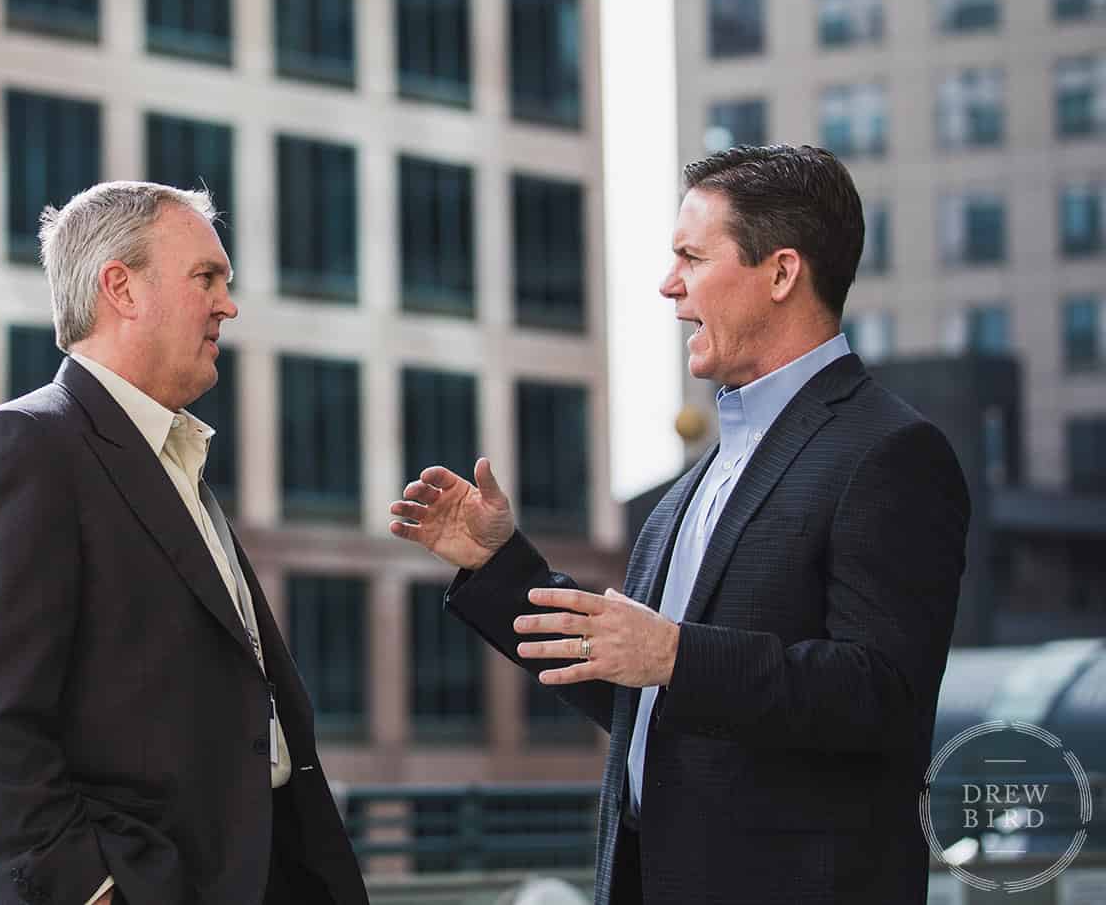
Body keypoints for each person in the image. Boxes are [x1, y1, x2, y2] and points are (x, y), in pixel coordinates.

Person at [389, 144, 969, 905]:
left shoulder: (892, 452)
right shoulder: (694, 485)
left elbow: (882, 695)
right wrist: (501, 567)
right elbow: (646, 695)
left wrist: (677, 654)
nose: (670, 286)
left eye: (691, 257)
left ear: (782, 272)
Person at [0, 181, 369, 905]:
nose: (228, 304)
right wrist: (91, 890)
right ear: (122, 288)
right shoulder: (27, 447)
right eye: (207, 277)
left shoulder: (174, 453)